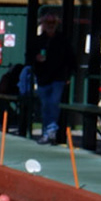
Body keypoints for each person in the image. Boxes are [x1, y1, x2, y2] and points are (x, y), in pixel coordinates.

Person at [28, 11, 74, 144]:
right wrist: (36, 59)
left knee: (53, 103)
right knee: (45, 106)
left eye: (53, 22)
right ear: (42, 24)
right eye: (47, 22)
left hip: (58, 78)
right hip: (43, 78)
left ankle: (51, 129)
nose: (50, 25)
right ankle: (47, 132)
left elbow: (70, 58)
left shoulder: (62, 40)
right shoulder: (38, 41)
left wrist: (69, 74)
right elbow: (29, 56)